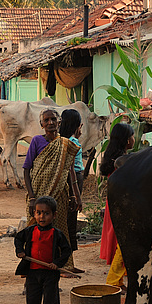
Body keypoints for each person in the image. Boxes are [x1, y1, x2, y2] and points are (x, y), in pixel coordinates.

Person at [22, 109, 83, 275]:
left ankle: (62, 267)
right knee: (36, 234)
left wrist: (75, 196)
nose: (50, 123)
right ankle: (32, 271)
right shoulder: (36, 141)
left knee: (59, 232)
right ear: (42, 124)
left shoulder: (65, 144)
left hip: (59, 194)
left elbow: (70, 171)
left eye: (53, 119)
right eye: (46, 120)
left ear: (59, 122)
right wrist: (32, 197)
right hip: (38, 194)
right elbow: (27, 169)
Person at [14, 196, 72, 304]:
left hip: (50, 272)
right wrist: (20, 251)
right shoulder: (30, 231)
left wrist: (57, 263)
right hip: (33, 272)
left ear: (54, 215)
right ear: (34, 213)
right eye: (39, 213)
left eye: (46, 213)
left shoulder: (56, 234)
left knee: (50, 301)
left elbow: (66, 250)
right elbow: (18, 239)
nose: (42, 217)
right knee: (32, 300)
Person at [99, 122, 135, 289]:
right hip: (122, 205)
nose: (134, 139)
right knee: (123, 243)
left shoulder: (112, 158)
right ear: (127, 141)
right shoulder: (122, 161)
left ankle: (118, 280)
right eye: (132, 136)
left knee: (119, 242)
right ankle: (115, 281)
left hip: (113, 203)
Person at [58, 108, 84, 256]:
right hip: (73, 180)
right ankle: (67, 259)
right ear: (77, 126)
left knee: (67, 218)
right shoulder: (73, 143)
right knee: (71, 219)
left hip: (69, 180)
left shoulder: (61, 140)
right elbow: (71, 169)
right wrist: (77, 195)